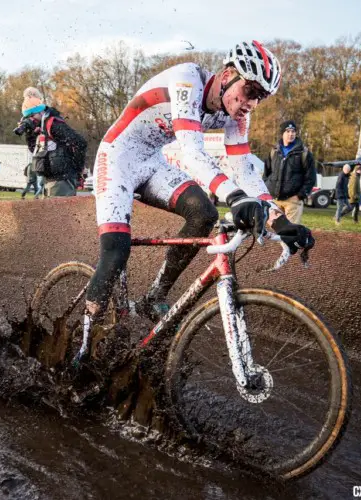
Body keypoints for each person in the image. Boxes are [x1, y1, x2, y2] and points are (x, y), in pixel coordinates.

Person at [79, 40, 314, 363]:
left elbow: (244, 168)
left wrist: (280, 220)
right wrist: (234, 197)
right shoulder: (188, 80)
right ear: (229, 74)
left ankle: (155, 296)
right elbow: (192, 153)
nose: (252, 104)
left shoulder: (236, 114)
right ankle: (81, 343)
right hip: (117, 157)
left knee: (203, 213)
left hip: (152, 162)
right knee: (116, 250)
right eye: (250, 91)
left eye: (260, 97)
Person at [16, 87, 87, 197]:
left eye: (31, 116)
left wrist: (78, 169)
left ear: (40, 111)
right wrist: (30, 134)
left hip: (62, 180)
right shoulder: (42, 128)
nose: (31, 120)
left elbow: (80, 143)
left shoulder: (53, 124)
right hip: (49, 180)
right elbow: (34, 150)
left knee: (60, 214)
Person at [262, 120, 316, 223]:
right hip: (274, 200)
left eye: (293, 131)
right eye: (288, 131)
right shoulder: (274, 151)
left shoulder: (304, 153)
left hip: (293, 200)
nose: (291, 134)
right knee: (277, 230)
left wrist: (299, 195)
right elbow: (266, 173)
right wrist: (266, 190)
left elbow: (311, 177)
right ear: (282, 133)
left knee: (290, 232)